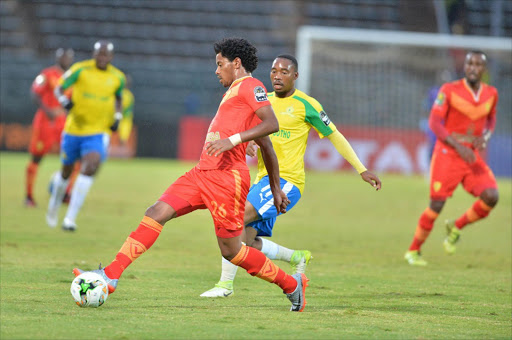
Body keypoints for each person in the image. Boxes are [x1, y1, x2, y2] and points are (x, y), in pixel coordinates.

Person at [73, 38, 309, 312]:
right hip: (202, 173)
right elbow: (266, 146)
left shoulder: (252, 87)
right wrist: (275, 186)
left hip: (226, 178)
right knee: (156, 211)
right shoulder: (233, 92)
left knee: (232, 251)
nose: (216, 70)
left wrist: (233, 143)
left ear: (236, 63)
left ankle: (291, 285)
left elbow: (272, 126)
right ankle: (111, 275)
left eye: (220, 64)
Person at [201, 54, 382, 297]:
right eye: (274, 71)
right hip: (261, 182)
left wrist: (362, 168)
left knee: (236, 218)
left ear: (295, 76)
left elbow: (335, 136)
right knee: (247, 242)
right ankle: (296, 257)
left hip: (287, 183)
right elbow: (252, 133)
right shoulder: (263, 102)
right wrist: (250, 145)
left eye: (284, 72)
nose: (277, 76)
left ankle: (225, 285)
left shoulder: (307, 105)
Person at [404, 51, 499, 266]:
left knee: (491, 196)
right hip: (448, 154)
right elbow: (435, 123)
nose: (473, 67)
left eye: (478, 64)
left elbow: (491, 118)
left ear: (483, 69)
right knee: (437, 204)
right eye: (469, 63)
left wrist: (486, 135)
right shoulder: (449, 90)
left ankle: (456, 227)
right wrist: (458, 146)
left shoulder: (491, 94)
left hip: (470, 157)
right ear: (464, 67)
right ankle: (413, 251)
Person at [46, 40, 125, 231]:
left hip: (97, 132)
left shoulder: (117, 77)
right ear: (94, 54)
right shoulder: (80, 70)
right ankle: (54, 205)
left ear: (111, 57)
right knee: (66, 172)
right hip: (74, 130)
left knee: (90, 166)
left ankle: (70, 219)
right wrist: (64, 100)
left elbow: (119, 98)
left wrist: (117, 116)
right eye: (99, 54)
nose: (102, 57)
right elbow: (58, 87)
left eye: (106, 54)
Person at [24, 48, 75, 207]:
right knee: (36, 158)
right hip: (44, 123)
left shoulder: (73, 78)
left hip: (64, 124)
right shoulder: (47, 74)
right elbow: (34, 93)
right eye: (63, 56)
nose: (65, 59)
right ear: (58, 58)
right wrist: (48, 111)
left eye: (68, 57)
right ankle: (29, 196)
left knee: (73, 159)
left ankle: (66, 193)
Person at [118, 74, 135, 146]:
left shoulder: (122, 94)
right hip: (125, 117)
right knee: (123, 134)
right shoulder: (129, 95)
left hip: (123, 117)